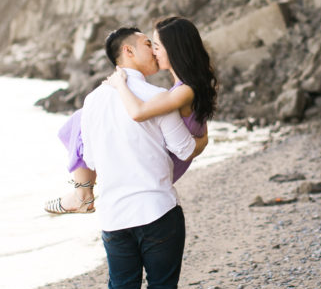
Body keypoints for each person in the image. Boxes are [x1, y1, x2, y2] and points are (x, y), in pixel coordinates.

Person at [78, 26, 207, 289]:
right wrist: (203, 139)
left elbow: (90, 159)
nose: (154, 50)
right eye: (147, 45)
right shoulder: (157, 96)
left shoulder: (92, 101)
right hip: (155, 210)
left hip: (114, 216)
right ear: (129, 53)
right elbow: (184, 149)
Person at [44, 16, 216, 214]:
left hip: (165, 164)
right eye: (150, 45)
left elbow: (138, 112)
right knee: (85, 119)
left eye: (157, 46)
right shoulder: (181, 88)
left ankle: (82, 194)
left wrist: (120, 84)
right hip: (164, 159)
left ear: (174, 49)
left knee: (81, 119)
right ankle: (82, 193)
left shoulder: (180, 92)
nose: (153, 51)